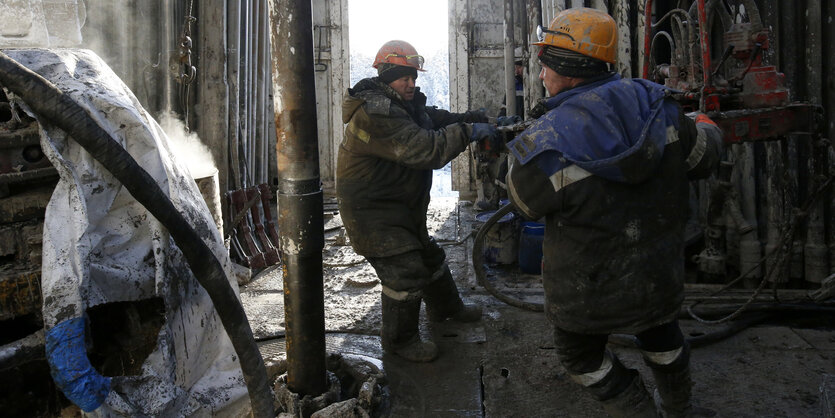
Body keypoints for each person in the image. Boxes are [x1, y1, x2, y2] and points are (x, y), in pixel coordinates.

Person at [505, 8, 722, 417]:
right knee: (663, 338)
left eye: (544, 67)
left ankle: (636, 408)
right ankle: (678, 407)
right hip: (657, 274)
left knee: (581, 358)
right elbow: (704, 157)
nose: (540, 77)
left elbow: (523, 204)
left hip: (586, 290)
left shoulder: (545, 144)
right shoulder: (663, 108)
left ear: (566, 71)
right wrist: (707, 125)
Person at [337, 40, 498, 362]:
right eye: (402, 77)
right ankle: (400, 341)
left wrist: (472, 118)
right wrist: (469, 131)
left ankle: (448, 309)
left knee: (430, 258)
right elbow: (425, 149)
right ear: (385, 76)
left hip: (400, 207)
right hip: (372, 212)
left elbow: (435, 119)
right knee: (405, 273)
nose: (410, 83)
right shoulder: (375, 114)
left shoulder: (403, 105)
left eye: (412, 76)